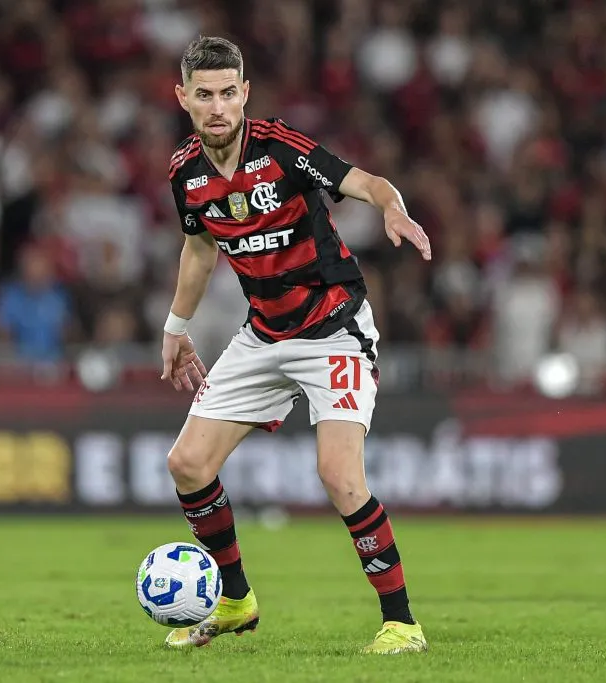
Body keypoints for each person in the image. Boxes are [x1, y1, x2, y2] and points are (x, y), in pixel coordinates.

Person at [160, 36, 432, 655]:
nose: (218, 106)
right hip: (264, 332)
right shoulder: (186, 175)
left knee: (338, 475)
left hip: (332, 326)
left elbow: (367, 181)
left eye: (229, 92)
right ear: (184, 99)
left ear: (245, 94)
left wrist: (393, 207)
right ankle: (235, 600)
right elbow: (200, 247)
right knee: (187, 465)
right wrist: (176, 328)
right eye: (204, 95)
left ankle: (401, 623)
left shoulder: (280, 147)